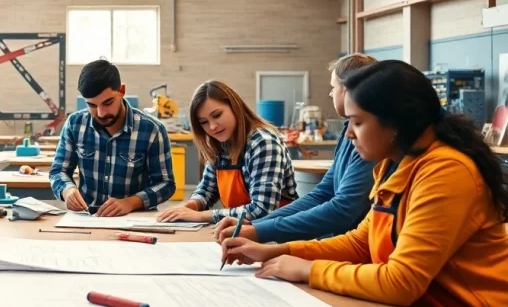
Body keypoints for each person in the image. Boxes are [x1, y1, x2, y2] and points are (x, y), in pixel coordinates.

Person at [223, 60, 508, 307]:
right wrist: (276, 251)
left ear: (394, 123)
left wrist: (307, 270)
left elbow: (401, 282)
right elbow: (362, 241)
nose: (349, 135)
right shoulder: (399, 163)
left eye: (357, 122)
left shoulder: (445, 172)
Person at [214, 54, 377, 243]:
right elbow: (323, 193)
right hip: (338, 244)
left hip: (354, 247)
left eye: (333, 88)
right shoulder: (349, 134)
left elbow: (343, 210)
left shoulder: (370, 141)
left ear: (347, 90)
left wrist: (260, 231)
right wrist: (256, 226)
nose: (331, 94)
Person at [49, 60, 175, 216]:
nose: (101, 113)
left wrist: (131, 202)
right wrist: (67, 190)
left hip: (133, 219)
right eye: (92, 105)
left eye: (108, 102)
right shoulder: (74, 124)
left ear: (121, 90)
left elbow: (166, 184)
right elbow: (58, 171)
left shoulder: (152, 130)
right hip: (87, 218)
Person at [159, 80, 296, 224]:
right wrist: (189, 207)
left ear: (234, 106)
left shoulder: (263, 143)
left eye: (217, 115)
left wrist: (201, 216)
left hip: (277, 235)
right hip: (241, 230)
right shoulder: (219, 144)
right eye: (204, 122)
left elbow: (262, 210)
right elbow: (207, 190)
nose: (212, 126)